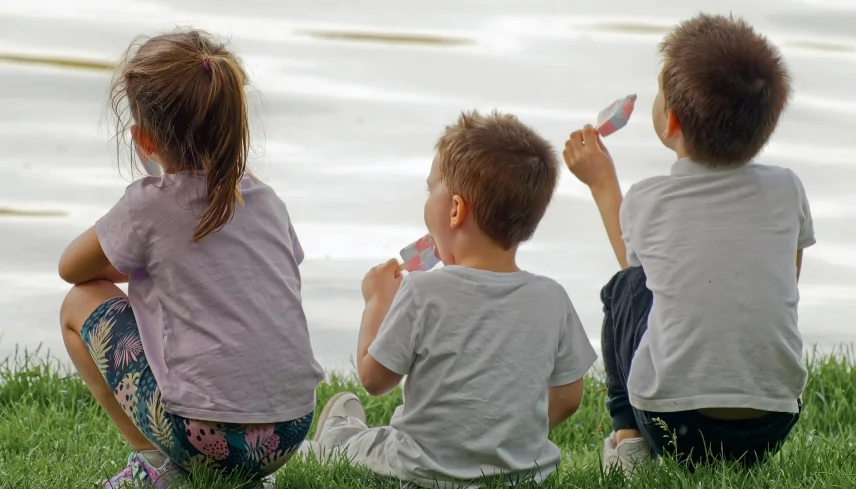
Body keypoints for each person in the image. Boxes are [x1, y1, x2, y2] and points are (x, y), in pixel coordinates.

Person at [58, 30, 323, 488]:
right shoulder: (268, 201)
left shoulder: (148, 206)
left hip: (201, 436)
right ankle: (249, 475)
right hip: (290, 429)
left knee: (78, 304)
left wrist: (141, 258)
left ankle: (158, 466)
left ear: (142, 138)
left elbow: (71, 269)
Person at [563, 13, 814, 474]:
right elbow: (787, 280)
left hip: (671, 421)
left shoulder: (648, 199)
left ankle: (627, 436)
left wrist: (602, 183)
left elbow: (639, 275)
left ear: (671, 120)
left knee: (624, 289)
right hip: (773, 420)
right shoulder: (787, 189)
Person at [303, 111, 599, 487]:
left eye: (431, 190)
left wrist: (377, 301)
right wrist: (508, 438)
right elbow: (569, 397)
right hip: (524, 473)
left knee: (358, 443)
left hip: (420, 468)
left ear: (456, 210)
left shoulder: (423, 291)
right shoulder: (552, 298)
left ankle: (337, 433)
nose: (426, 200)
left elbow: (374, 379)